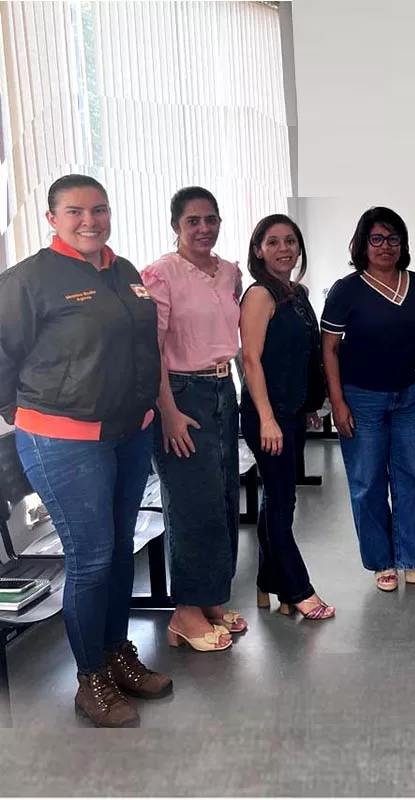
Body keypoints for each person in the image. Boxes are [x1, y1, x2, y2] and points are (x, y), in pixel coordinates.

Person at [0, 174, 171, 727]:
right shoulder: (28, 280)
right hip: (64, 440)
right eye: (75, 211)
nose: (90, 220)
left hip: (130, 432)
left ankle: (117, 653)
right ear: (52, 218)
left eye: (99, 209)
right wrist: (19, 413)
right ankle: (90, 677)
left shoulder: (124, 272)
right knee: (92, 556)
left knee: (119, 550)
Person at [321, 207, 415, 593]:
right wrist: (337, 402)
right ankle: (382, 561)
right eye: (376, 238)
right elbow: (329, 349)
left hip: (410, 395)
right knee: (368, 481)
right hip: (362, 399)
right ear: (363, 244)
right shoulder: (346, 290)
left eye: (393, 238)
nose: (385, 246)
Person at [142, 186, 242, 652]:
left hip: (223, 388)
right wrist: (169, 412)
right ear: (176, 226)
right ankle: (184, 611)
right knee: (190, 502)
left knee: (221, 497)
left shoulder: (229, 272)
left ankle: (209, 599)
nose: (204, 228)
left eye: (211, 219)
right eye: (193, 221)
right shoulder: (161, 274)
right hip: (182, 393)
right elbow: (152, 349)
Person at [239, 214, 335, 619]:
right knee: (281, 504)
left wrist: (310, 405)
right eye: (273, 242)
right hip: (269, 415)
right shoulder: (260, 295)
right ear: (258, 250)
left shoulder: (295, 294)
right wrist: (266, 418)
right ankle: (297, 589)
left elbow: (304, 354)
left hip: (292, 411)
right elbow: (250, 359)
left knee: (279, 499)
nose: (284, 249)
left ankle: (268, 582)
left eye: (290, 241)